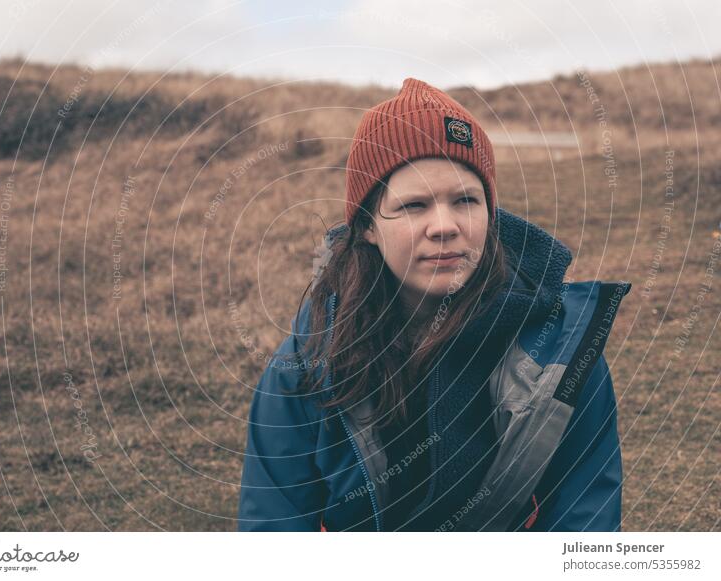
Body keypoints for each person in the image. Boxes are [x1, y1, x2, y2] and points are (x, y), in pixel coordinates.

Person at [237, 77, 632, 532]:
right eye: (413, 205)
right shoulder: (307, 361)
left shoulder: (563, 353)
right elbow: (275, 525)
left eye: (465, 199)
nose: (444, 226)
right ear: (367, 225)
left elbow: (584, 519)